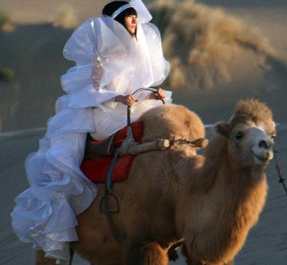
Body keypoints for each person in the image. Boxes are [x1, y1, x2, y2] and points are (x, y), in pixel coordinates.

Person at [11, 0, 170, 262]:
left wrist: (154, 92)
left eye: (134, 17)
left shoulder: (139, 52)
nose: (134, 21)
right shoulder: (100, 56)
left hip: (136, 108)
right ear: (115, 23)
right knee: (65, 164)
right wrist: (117, 97)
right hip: (101, 112)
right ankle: (60, 229)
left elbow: (141, 85)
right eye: (128, 17)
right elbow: (87, 90)